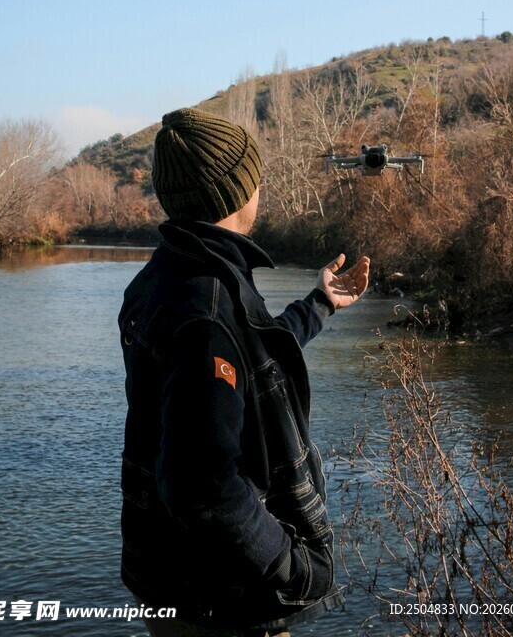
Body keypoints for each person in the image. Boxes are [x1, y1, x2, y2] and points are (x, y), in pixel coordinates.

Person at [118, 108, 370, 637]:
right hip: (224, 604)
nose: (260, 187)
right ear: (235, 192)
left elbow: (252, 361)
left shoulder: (171, 276)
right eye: (254, 176)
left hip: (179, 585)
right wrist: (288, 565)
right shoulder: (205, 310)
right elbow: (201, 485)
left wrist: (318, 305)